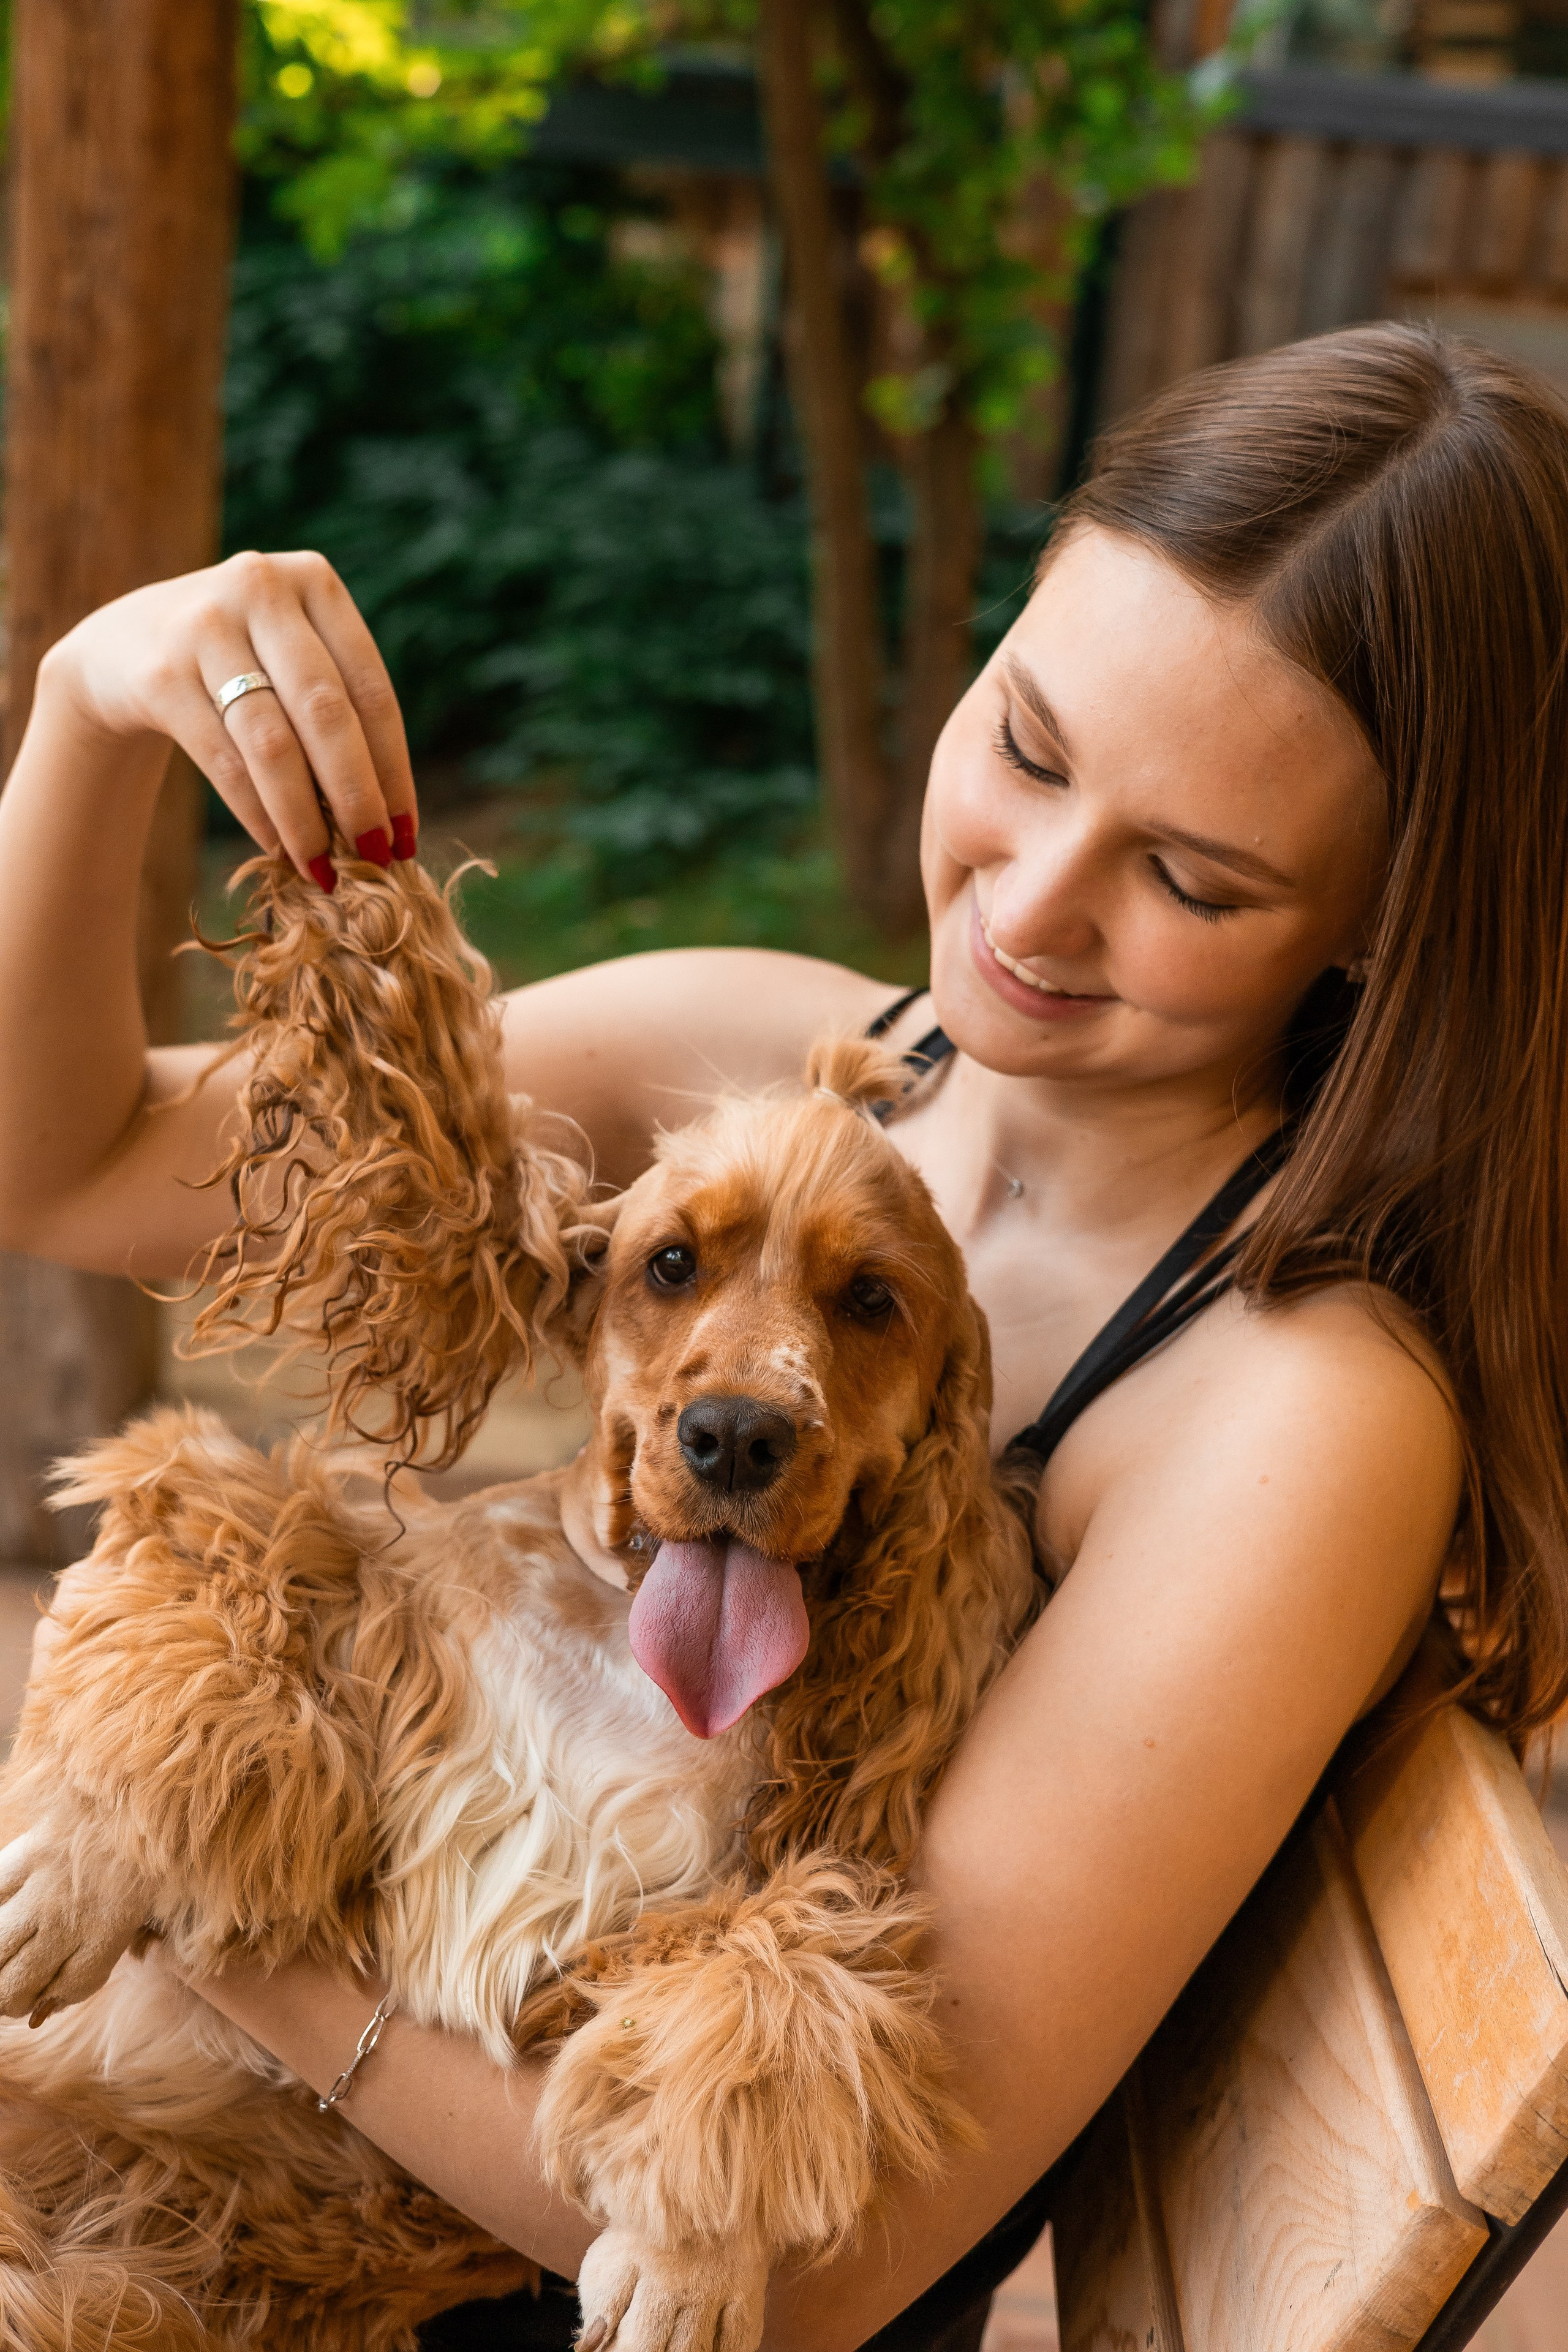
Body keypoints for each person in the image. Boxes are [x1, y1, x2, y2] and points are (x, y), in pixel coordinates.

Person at [0, 320, 1563, 2352]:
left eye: (1188, 876)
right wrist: (87, 707)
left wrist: (207, 1893)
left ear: (1385, 920)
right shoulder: (771, 1058)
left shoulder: (1293, 1414)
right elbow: (74, 1164)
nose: (1031, 903)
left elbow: (825, 2273)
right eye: (1024, 744)